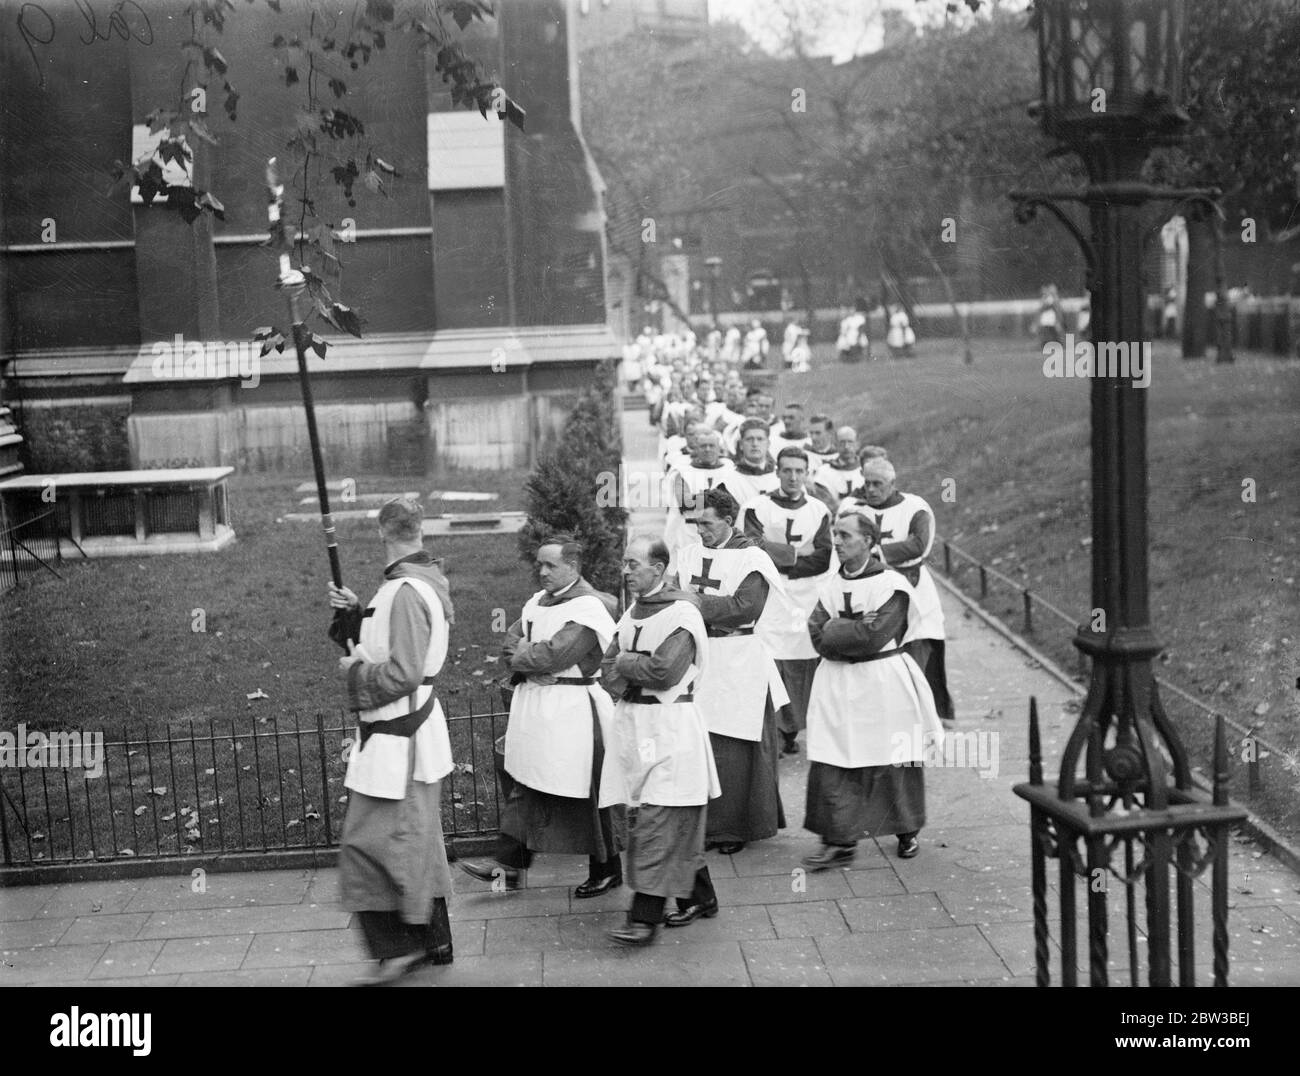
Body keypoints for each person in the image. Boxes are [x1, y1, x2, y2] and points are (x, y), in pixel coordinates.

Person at [328, 497, 457, 984]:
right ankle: (434, 942)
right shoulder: (418, 582)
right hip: (405, 737)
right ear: (418, 530)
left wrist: (355, 670)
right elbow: (395, 645)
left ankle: (401, 948)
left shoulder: (405, 590)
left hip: (400, 740)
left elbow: (402, 671)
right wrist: (357, 614)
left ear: (382, 532)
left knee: (370, 845)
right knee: (417, 842)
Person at [458, 536, 627, 898]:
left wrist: (527, 656)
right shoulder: (537, 602)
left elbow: (556, 654)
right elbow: (510, 642)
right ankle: (510, 866)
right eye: (539, 564)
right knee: (529, 782)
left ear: (573, 566)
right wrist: (527, 660)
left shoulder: (587, 608)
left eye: (550, 565)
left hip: (575, 711)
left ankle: (608, 868)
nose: (542, 570)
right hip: (539, 709)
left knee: (588, 789)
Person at [802, 510, 944, 868]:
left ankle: (906, 829)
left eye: (845, 535)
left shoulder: (891, 585)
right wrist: (844, 630)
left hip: (882, 680)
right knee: (834, 756)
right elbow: (816, 633)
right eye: (835, 534)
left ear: (868, 541)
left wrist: (838, 628)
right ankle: (838, 840)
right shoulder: (831, 584)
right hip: (837, 680)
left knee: (892, 756)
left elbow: (875, 636)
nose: (837, 541)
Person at [600, 538, 721, 945]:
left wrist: (628, 664)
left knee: (657, 819)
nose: (626, 570)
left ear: (659, 568)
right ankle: (701, 897)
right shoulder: (632, 612)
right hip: (635, 723)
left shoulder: (682, 614)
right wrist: (633, 667)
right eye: (624, 563)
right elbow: (607, 669)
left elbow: (666, 671)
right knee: (666, 818)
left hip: (671, 725)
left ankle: (644, 917)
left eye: (633, 563)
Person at [679, 489, 791, 859]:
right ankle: (703, 823)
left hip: (740, 658)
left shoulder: (752, 558)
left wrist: (698, 603)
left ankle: (737, 825)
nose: (701, 531)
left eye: (707, 524)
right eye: (696, 523)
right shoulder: (690, 553)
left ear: (729, 521)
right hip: (702, 654)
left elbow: (745, 608)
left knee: (736, 746)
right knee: (702, 740)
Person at [841, 457, 954, 723]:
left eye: (877, 484)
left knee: (919, 648)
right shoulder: (855, 510)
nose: (871, 489)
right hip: (871, 588)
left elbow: (918, 545)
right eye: (866, 483)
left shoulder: (915, 507)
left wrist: (875, 552)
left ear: (892, 483)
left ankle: (926, 714)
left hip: (914, 585)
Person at [740, 446, 836, 757]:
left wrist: (777, 554)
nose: (793, 477)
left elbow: (822, 559)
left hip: (806, 595)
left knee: (802, 658)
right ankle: (774, 732)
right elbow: (753, 546)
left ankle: (794, 727)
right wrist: (796, 553)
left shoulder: (819, 511)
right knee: (769, 654)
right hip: (770, 593)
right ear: (777, 471)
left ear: (807, 474)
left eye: (799, 471)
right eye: (787, 470)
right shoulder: (758, 507)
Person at [664, 427, 736, 570]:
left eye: (712, 446)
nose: (708, 449)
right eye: (703, 446)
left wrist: (702, 498)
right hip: (690, 535)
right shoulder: (683, 471)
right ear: (695, 448)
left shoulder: (730, 470)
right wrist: (718, 497)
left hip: (722, 535)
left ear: (719, 448)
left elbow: (734, 503)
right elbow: (686, 502)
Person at [812, 425, 863, 509]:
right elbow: (824, 504)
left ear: (857, 444)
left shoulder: (867, 470)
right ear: (835, 444)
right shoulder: (823, 472)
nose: (846, 446)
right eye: (842, 442)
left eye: (850, 442)